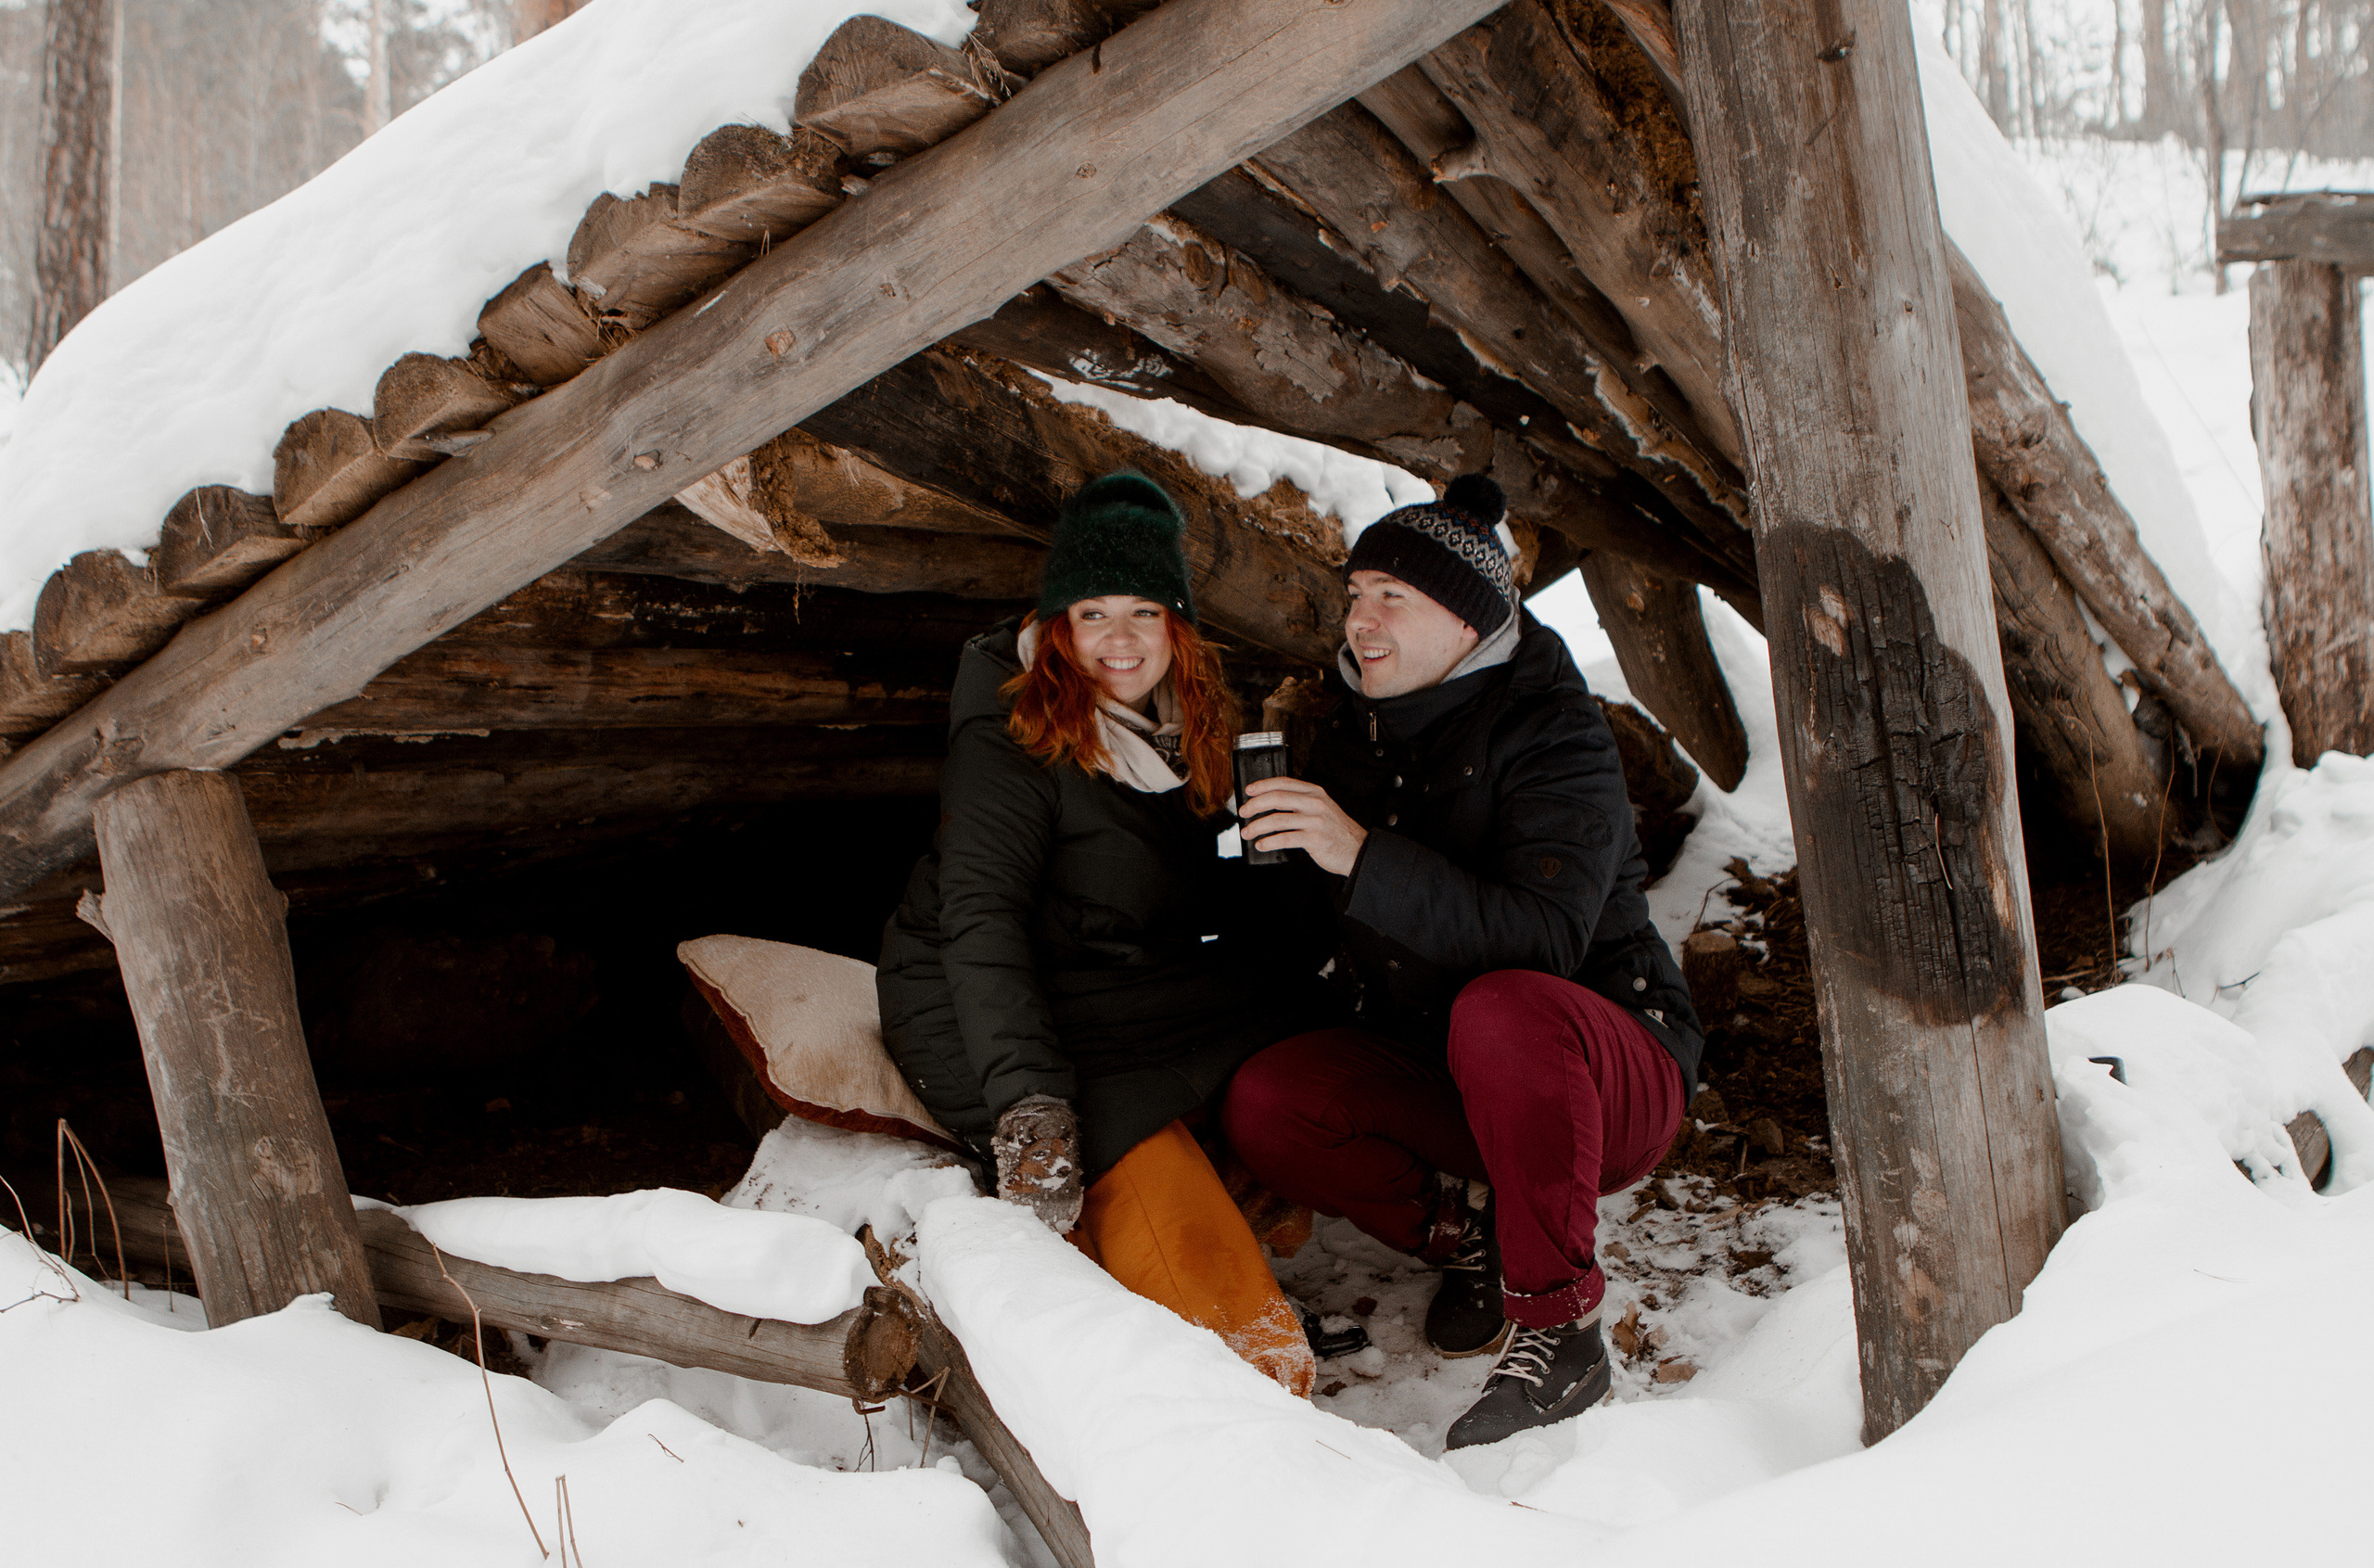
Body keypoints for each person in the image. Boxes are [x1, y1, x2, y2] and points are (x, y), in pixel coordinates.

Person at [1219, 473, 1704, 1447]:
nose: (1361, 620)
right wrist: (1255, 860)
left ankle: (1560, 1328)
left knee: (1504, 1007)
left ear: (1467, 620)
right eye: (1356, 594)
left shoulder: (1558, 732)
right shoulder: (1354, 726)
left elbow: (1543, 941)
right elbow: (1318, 933)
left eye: (1391, 597)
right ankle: (1470, 1234)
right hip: (1448, 1068)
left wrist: (1360, 854)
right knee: (1270, 1100)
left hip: (1606, 1073)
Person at [876, 470, 1321, 1395]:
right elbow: (981, 920)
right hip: (972, 999)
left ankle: (1262, 1180)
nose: (1120, 640)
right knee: (1116, 1122)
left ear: (1177, 626)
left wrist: (1278, 856)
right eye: (1093, 614)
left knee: (1290, 996)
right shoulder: (1011, 737)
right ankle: (1253, 1373)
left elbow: (1180, 899)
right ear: (1059, 627)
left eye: (1143, 612)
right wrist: (1030, 1107)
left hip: (1100, 980)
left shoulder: (1175, 727)